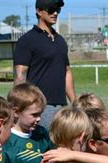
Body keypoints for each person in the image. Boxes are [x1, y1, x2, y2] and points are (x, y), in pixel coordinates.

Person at [14, 0, 76, 129]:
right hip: (39, 106)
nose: (55, 13)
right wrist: (20, 106)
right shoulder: (27, 40)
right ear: (38, 11)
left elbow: (67, 71)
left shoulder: (60, 40)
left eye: (57, 10)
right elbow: (21, 76)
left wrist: (74, 102)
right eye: (51, 9)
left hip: (61, 105)